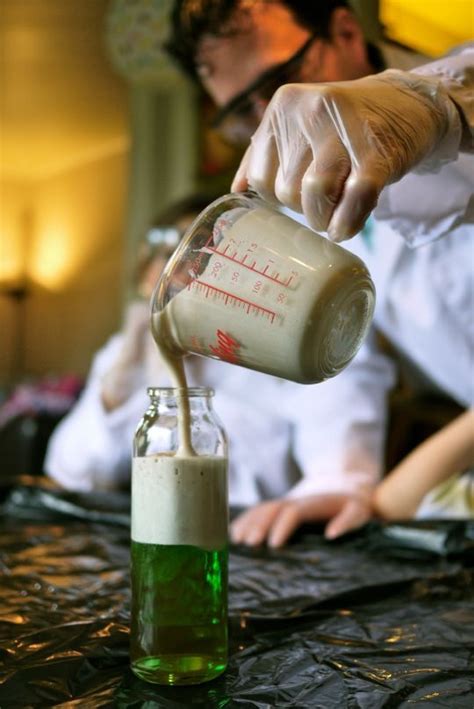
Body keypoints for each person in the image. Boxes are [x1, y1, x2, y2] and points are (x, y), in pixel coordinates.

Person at [164, 1, 474, 542]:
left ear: (346, 30)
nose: (268, 118)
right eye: (242, 108)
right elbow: (339, 347)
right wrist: (339, 476)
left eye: (282, 80)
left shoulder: (440, 94)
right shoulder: (294, 197)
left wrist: (436, 108)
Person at [46, 194, 374, 510]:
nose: (186, 273)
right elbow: (71, 472)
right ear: (147, 277)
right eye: (169, 256)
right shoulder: (123, 354)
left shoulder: (285, 345)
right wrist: (119, 380)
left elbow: (296, 481)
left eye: (207, 259)